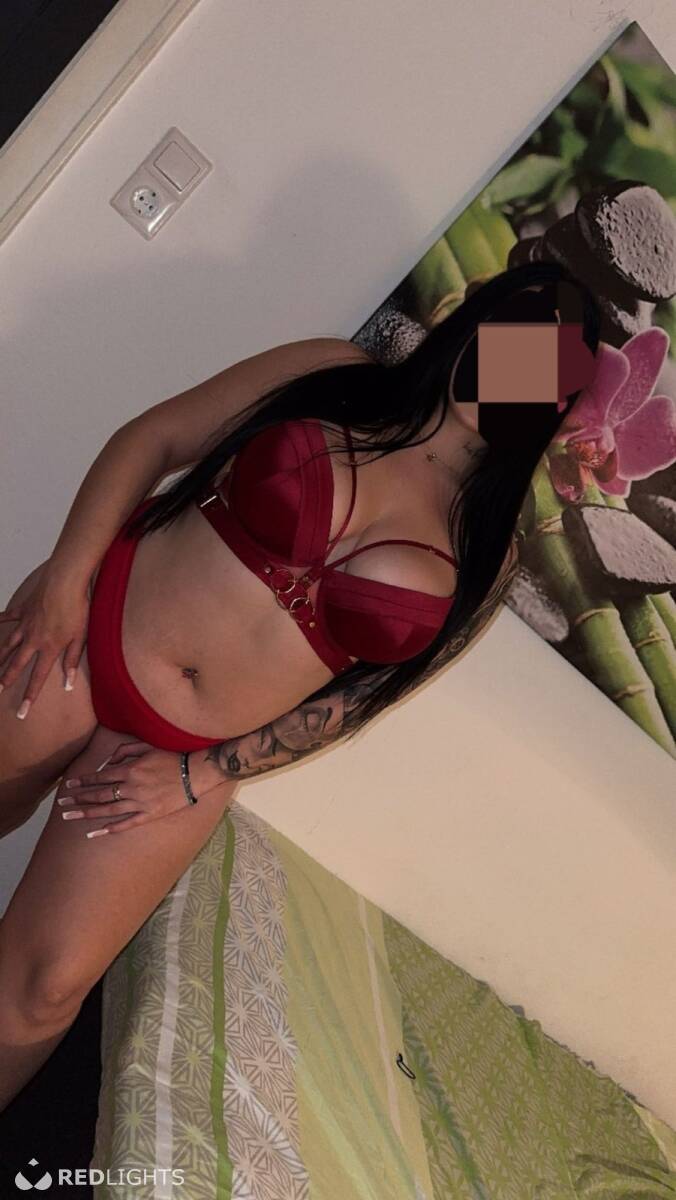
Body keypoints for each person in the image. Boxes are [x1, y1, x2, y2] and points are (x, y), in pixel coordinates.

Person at [0, 259, 601, 1109]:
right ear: (476, 323)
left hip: (182, 754)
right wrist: (65, 582)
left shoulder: (488, 547)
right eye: (517, 335)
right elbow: (154, 438)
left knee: (47, 987)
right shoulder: (332, 373)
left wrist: (206, 771)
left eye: (548, 365)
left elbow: (361, 697)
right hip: (88, 636)